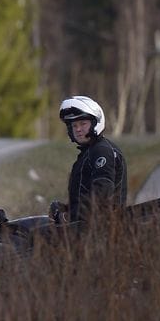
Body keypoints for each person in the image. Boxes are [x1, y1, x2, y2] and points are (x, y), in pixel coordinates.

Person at [50, 95, 127, 225]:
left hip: (101, 229)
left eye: (83, 124)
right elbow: (87, 195)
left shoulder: (102, 151)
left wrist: (69, 217)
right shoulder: (89, 152)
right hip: (90, 227)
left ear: (95, 123)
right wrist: (66, 209)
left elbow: (102, 193)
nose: (78, 129)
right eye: (74, 125)